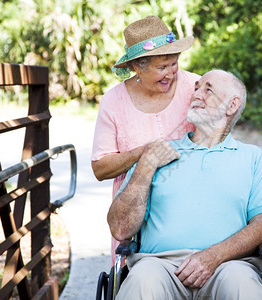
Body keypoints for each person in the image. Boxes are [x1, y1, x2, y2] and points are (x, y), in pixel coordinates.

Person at [108, 70, 262, 299]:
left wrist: (213, 257)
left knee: (242, 285)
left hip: (229, 265)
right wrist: (146, 165)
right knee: (142, 279)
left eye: (208, 89)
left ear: (232, 106)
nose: (196, 94)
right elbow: (120, 228)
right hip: (160, 266)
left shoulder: (251, 157)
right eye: (196, 88)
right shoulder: (159, 152)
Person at [90, 15, 200, 261]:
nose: (170, 73)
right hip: (133, 217)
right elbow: (100, 168)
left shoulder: (195, 86)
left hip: (191, 208)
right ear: (137, 66)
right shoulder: (113, 101)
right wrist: (143, 153)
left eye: (174, 63)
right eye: (162, 67)